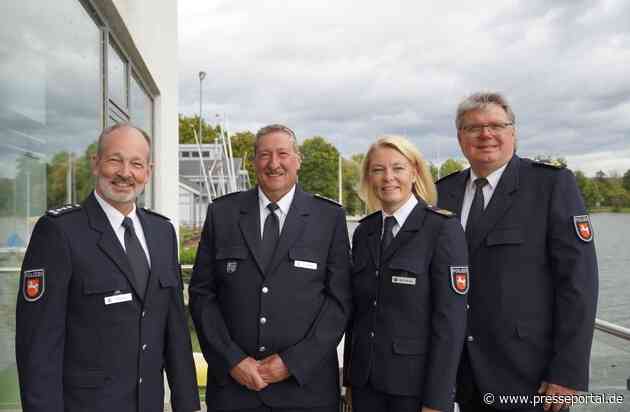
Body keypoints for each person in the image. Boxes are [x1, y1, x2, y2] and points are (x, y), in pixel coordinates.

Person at [15, 124, 200, 412]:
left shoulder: (162, 232)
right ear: (96, 164)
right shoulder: (59, 232)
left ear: (148, 172)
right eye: (115, 160)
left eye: (136, 164)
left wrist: (186, 404)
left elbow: (175, 333)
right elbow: (38, 346)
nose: (125, 173)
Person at [436, 92, 598, 412]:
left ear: (513, 133)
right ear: (460, 138)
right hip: (458, 374)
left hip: (529, 376)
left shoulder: (550, 185)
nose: (486, 135)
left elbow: (578, 284)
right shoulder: (443, 191)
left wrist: (568, 372)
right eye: (473, 128)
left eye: (497, 125)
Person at [189, 124, 352, 412]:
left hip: (305, 390)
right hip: (234, 389)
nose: (273, 163)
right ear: (254, 162)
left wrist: (293, 362)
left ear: (298, 160)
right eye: (264, 155)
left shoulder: (329, 218)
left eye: (282, 154)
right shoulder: (223, 214)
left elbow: (339, 303)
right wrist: (232, 360)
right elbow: (202, 295)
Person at [343, 136, 468, 412]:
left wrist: (437, 399)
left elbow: (450, 323)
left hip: (414, 389)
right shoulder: (365, 232)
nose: (388, 177)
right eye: (378, 170)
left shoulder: (442, 229)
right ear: (369, 178)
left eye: (397, 168)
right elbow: (359, 315)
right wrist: (350, 381)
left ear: (414, 172)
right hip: (365, 386)